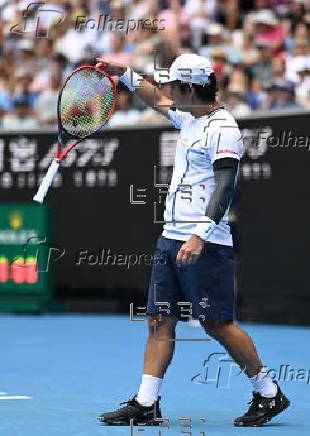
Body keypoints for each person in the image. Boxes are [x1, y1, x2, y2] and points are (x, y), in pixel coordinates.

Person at [95, 53, 290, 427]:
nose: (166, 90)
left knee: (218, 325)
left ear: (189, 88)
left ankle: (268, 392)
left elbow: (226, 185)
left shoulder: (223, 129)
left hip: (206, 242)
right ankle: (146, 403)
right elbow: (154, 97)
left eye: (172, 85)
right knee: (158, 319)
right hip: (171, 238)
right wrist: (125, 74)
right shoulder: (189, 116)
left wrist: (199, 235)